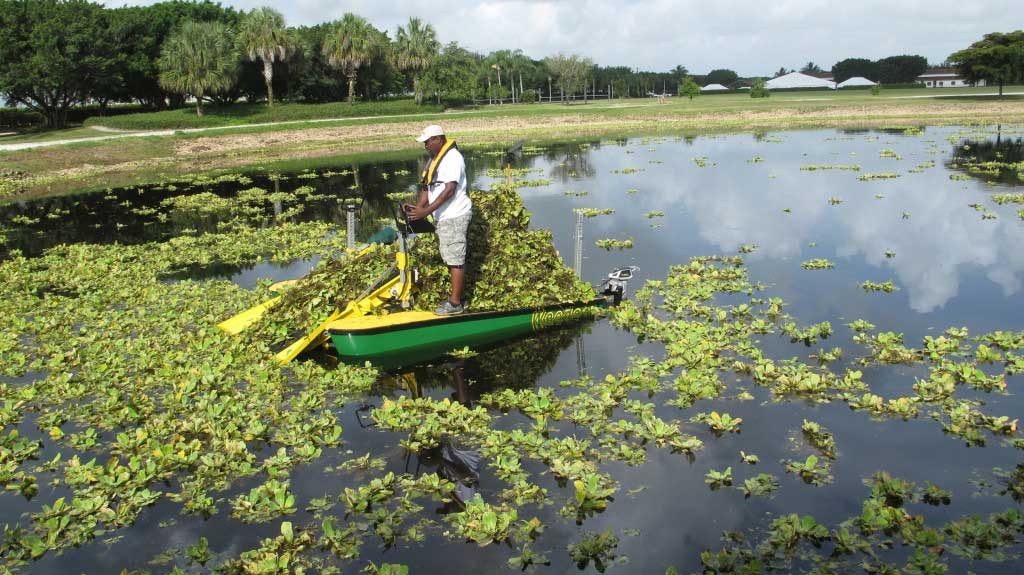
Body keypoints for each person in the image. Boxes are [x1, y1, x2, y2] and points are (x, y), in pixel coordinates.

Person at [404, 125, 473, 315]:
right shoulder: (434, 160)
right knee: (450, 256)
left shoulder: (452, 158)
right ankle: (457, 299)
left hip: (455, 215)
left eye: (428, 141)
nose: (425, 145)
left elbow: (449, 190)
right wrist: (418, 208)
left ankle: (455, 304)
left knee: (455, 259)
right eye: (424, 142)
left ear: (439, 139)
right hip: (443, 217)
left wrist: (426, 212)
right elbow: (427, 188)